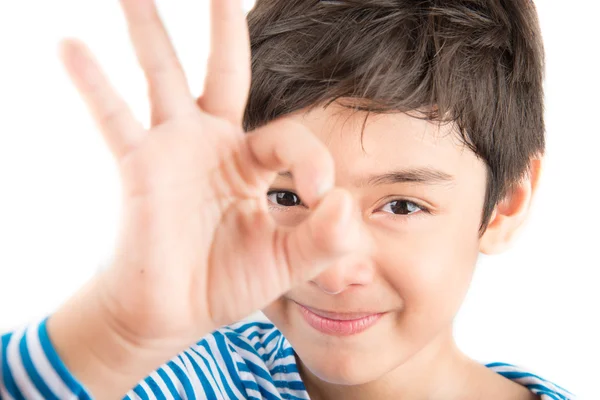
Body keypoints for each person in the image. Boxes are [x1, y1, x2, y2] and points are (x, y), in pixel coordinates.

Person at [0, 0, 575, 398]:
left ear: (505, 203)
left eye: (401, 206)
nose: (332, 269)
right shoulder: (180, 377)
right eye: (287, 195)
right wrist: (118, 331)